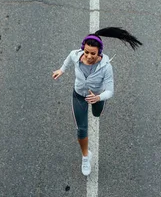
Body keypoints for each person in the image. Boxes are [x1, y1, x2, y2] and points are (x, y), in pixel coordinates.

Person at [52, 27, 142, 175]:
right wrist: (61, 70)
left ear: (99, 53)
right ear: (83, 49)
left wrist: (98, 97)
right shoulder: (76, 55)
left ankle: (97, 105)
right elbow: (69, 58)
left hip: (97, 97)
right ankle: (86, 156)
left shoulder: (106, 67)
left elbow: (110, 91)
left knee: (97, 114)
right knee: (81, 129)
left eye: (92, 53)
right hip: (79, 95)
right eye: (86, 52)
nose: (88, 56)